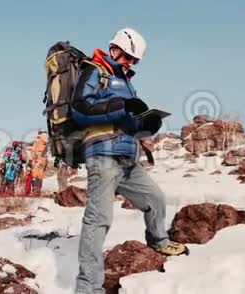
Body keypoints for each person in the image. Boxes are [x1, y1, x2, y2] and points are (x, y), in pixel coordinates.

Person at [71, 27, 188, 293]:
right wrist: (120, 107)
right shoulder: (94, 70)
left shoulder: (127, 83)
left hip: (127, 157)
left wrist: (147, 124)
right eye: (127, 57)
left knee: (155, 199)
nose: (130, 63)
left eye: (135, 61)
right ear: (115, 48)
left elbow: (127, 122)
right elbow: (80, 109)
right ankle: (88, 288)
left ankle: (159, 241)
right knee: (98, 219)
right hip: (102, 155)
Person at [29, 130, 48, 196]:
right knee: (40, 175)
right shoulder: (46, 139)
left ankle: (35, 190)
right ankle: (38, 190)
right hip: (43, 160)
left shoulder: (38, 139)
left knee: (35, 175)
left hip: (37, 159)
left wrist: (30, 160)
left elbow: (33, 150)